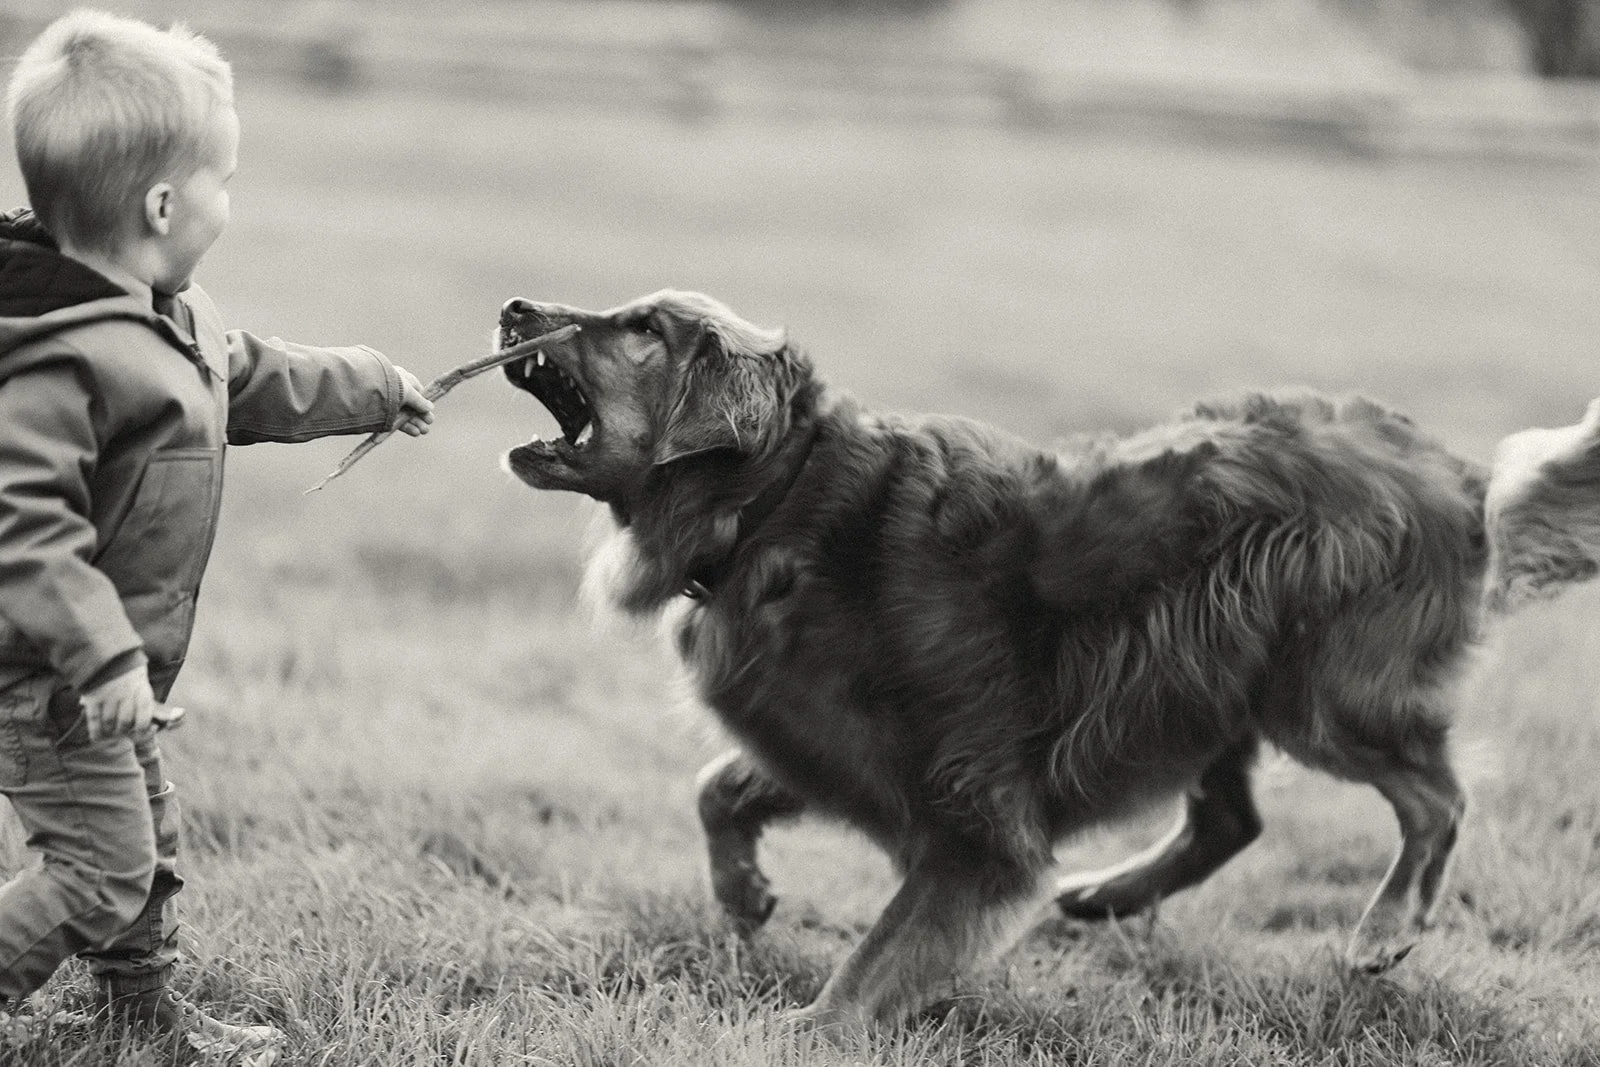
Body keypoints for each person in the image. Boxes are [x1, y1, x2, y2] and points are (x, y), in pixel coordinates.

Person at [0, 10, 435, 1055]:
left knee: (143, 838)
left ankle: (138, 1008)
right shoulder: (60, 359)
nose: (229, 203)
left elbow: (248, 374)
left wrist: (373, 384)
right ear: (162, 202)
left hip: (115, 672)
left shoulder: (167, 313)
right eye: (223, 181)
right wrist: (100, 658)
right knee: (98, 865)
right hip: (50, 671)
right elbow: (24, 534)